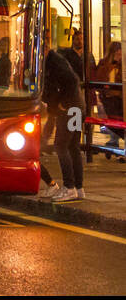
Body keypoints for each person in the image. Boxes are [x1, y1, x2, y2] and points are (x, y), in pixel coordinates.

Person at [42, 28, 86, 202]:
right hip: (76, 107)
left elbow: (71, 80)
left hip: (70, 109)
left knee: (61, 146)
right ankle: (79, 187)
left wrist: (61, 103)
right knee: (73, 147)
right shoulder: (56, 60)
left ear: (44, 50)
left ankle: (69, 187)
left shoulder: (54, 62)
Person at [93, 40, 124, 153]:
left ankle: (115, 141)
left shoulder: (123, 64)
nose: (119, 56)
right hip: (108, 97)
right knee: (112, 119)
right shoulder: (104, 63)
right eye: (117, 53)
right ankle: (114, 141)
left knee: (119, 119)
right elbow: (100, 76)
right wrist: (113, 63)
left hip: (120, 97)